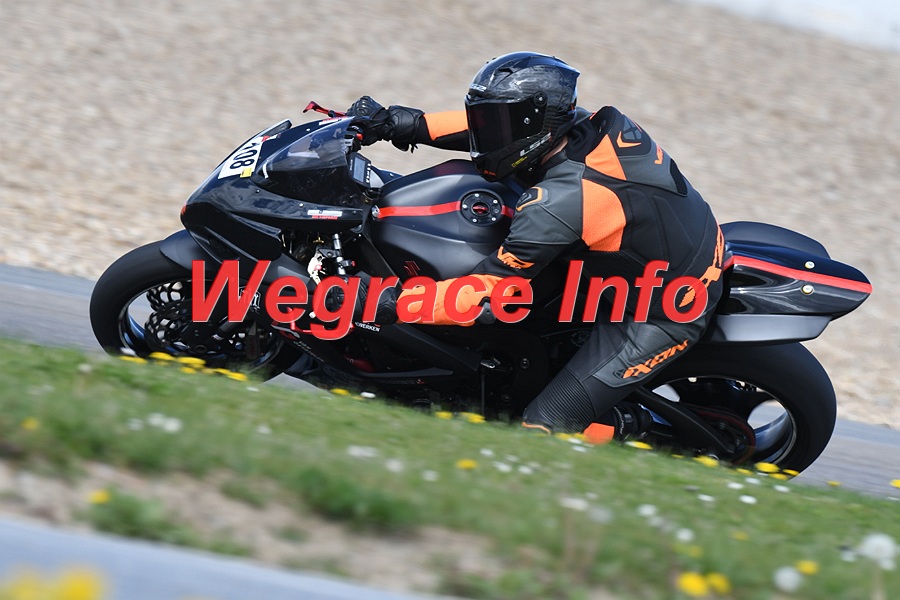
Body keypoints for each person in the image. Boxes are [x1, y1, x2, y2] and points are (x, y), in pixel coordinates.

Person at [345, 51, 725, 441]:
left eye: (496, 122)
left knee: (539, 428)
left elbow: (489, 295)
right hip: (668, 247)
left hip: (667, 307)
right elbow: (488, 131)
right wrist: (403, 123)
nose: (485, 131)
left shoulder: (560, 202)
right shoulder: (582, 126)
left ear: (535, 126)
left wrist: (385, 302)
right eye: (487, 118)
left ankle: (632, 428)